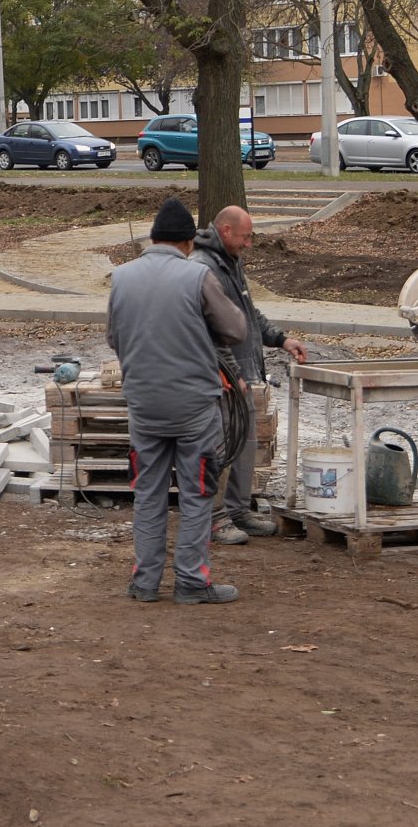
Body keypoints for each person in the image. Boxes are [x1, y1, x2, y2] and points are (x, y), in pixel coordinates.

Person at [106, 197, 248, 604]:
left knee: (147, 492)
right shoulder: (196, 276)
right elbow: (235, 330)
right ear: (188, 243)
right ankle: (191, 582)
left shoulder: (122, 277)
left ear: (152, 238)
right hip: (193, 407)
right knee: (197, 491)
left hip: (144, 407)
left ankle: (144, 583)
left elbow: (114, 338)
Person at [192, 206, 309, 545]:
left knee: (244, 443)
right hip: (221, 376)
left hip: (239, 371)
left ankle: (239, 509)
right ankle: (219, 519)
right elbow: (211, 330)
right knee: (223, 446)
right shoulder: (204, 268)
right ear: (225, 231)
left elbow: (246, 313)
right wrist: (231, 372)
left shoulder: (230, 262)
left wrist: (280, 339)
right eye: (245, 237)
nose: (249, 244)